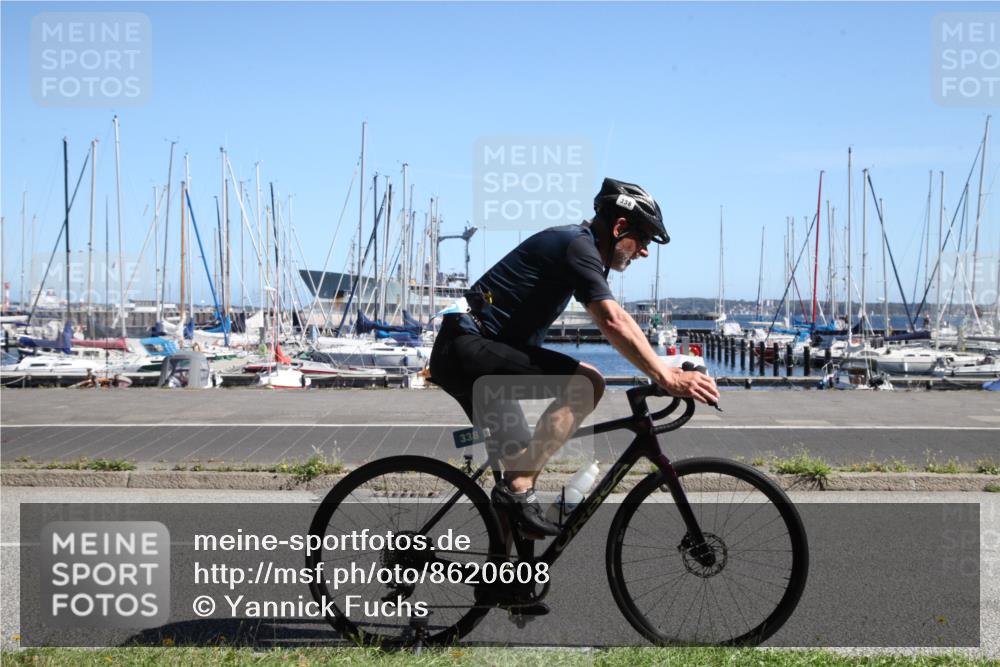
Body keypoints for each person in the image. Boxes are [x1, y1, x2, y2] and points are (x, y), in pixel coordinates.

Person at [429, 177, 719, 537]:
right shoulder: (577, 246)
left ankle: (503, 569)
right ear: (620, 227)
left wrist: (662, 366)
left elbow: (619, 319)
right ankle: (518, 488)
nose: (644, 251)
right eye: (643, 239)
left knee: (518, 481)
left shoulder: (579, 249)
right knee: (587, 384)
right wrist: (667, 377)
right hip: (467, 349)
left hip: (469, 353)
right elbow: (612, 320)